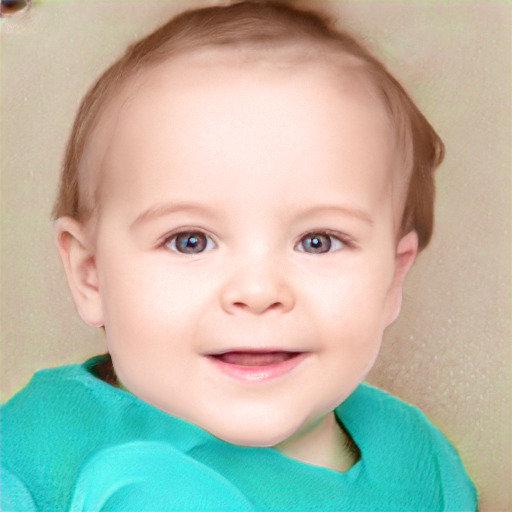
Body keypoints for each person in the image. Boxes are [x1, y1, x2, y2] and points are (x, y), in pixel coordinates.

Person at [1, 1, 477, 510]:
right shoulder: (35, 452)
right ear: (90, 275)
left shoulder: (420, 462)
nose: (257, 292)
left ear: (390, 281)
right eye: (190, 240)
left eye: (318, 241)